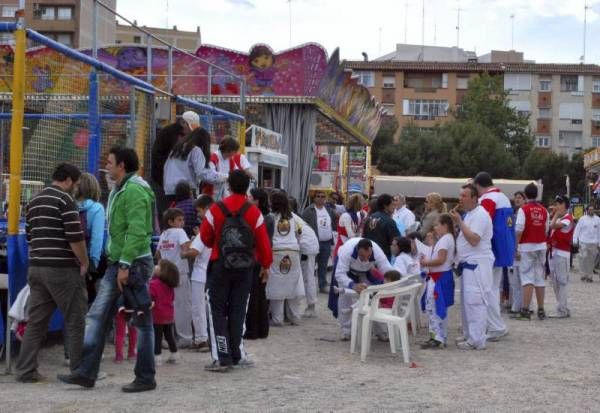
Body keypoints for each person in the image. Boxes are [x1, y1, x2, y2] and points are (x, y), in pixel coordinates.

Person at [59, 146, 157, 392]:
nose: (107, 166)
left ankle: (145, 377)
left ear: (122, 165)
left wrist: (124, 264)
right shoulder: (122, 190)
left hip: (131, 263)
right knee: (98, 316)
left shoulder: (133, 191)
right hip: (122, 261)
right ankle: (86, 372)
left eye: (111, 162)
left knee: (140, 321)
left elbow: (136, 231)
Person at [16, 163, 88, 383]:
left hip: (36, 267)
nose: (74, 188)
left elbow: (29, 237)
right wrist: (84, 262)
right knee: (76, 318)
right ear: (67, 180)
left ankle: (26, 370)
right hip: (62, 269)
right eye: (74, 184)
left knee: (36, 321)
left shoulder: (34, 200)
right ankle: (79, 371)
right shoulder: (65, 200)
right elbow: (74, 237)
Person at [200, 170, 273, 372]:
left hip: (220, 266)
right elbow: (264, 244)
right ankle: (237, 353)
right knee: (238, 310)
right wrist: (265, 266)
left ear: (229, 186)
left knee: (216, 310)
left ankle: (222, 356)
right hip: (245, 268)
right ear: (247, 187)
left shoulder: (215, 209)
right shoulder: (254, 212)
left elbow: (205, 238)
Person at [449, 184, 494, 351]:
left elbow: (474, 239)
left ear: (474, 198)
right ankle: (470, 335)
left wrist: (459, 222)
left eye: (464, 196)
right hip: (468, 264)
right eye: (460, 195)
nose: (460, 199)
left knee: (476, 302)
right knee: (467, 302)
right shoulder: (469, 215)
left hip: (477, 264)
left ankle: (477, 339)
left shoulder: (481, 215)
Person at [472, 171, 513, 341]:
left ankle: (495, 326)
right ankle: (494, 325)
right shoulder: (502, 197)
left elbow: (482, 223)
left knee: (487, 289)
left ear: (477, 185)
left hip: (491, 249)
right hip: (502, 248)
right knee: (493, 288)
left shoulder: (488, 199)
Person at [327, 237, 393, 340]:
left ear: (371, 251)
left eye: (368, 256)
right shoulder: (347, 251)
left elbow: (387, 269)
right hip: (346, 272)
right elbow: (340, 274)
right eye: (362, 256)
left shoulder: (377, 251)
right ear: (357, 250)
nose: (366, 259)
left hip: (365, 272)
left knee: (373, 296)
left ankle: (381, 331)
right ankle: (346, 331)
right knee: (345, 298)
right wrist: (353, 285)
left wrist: (393, 280)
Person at [266, 191, 305, 326]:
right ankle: (295, 316)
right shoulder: (293, 217)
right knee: (293, 283)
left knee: (277, 284)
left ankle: (278, 318)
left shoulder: (271, 217)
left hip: (277, 251)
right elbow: (300, 234)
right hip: (293, 251)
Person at [156, 208, 193, 347]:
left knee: (167, 306)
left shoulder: (163, 234)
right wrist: (195, 241)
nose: (182, 223)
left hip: (165, 275)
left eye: (182, 220)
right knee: (183, 306)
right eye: (179, 220)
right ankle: (185, 337)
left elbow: (158, 255)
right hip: (180, 274)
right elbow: (186, 248)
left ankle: (167, 337)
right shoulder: (180, 232)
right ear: (170, 221)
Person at [181, 195, 213, 351]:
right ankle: (204, 337)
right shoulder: (214, 227)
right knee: (205, 307)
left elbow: (194, 252)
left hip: (200, 273)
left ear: (206, 209)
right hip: (209, 271)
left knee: (198, 307)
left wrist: (184, 252)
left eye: (199, 211)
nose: (198, 214)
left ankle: (201, 339)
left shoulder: (205, 230)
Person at [419, 214, 456, 349]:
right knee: (436, 306)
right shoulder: (446, 239)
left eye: (436, 225)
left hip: (439, 277)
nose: (435, 228)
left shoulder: (446, 239)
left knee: (434, 307)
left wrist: (425, 262)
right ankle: (439, 336)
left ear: (444, 225)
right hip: (440, 276)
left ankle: (437, 337)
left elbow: (441, 260)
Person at [163, 128, 227, 205]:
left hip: (169, 190)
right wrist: (224, 177)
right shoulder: (195, 150)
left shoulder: (176, 149)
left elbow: (165, 168)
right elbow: (202, 173)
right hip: (185, 191)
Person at [513, 183, 548, 321]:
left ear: (526, 195)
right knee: (539, 278)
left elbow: (519, 230)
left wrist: (516, 247)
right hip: (541, 245)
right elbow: (546, 229)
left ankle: (525, 310)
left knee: (527, 277)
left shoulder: (524, 209)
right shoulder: (544, 210)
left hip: (527, 246)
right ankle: (541, 309)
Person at [244, 188, 273, 339]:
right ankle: (261, 328)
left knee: (255, 296)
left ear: (257, 201)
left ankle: (254, 329)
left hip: (258, 260)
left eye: (250, 197)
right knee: (259, 295)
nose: (247, 199)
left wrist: (264, 263)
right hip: (260, 259)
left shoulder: (263, 218)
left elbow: (263, 242)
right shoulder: (266, 217)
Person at [75, 172, 106, 304]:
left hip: (71, 258)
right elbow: (97, 239)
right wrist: (94, 263)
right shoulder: (96, 208)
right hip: (87, 259)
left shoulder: (70, 205)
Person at [302, 190, 337, 294]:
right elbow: (304, 226)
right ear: (314, 198)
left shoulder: (328, 209)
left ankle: (322, 285)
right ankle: (307, 286)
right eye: (318, 196)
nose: (321, 198)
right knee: (310, 266)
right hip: (314, 242)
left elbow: (333, 223)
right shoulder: (309, 210)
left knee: (323, 265)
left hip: (326, 242)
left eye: (323, 196)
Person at [547, 195, 575, 318]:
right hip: (554, 252)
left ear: (564, 205)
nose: (556, 205)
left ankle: (562, 310)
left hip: (562, 253)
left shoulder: (568, 218)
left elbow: (552, 226)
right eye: (556, 203)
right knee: (554, 281)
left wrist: (556, 216)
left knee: (562, 281)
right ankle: (562, 306)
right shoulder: (559, 217)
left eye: (559, 203)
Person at [150, 122, 185, 217]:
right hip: (162, 182)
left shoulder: (169, 135)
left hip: (163, 181)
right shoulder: (171, 137)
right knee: (166, 213)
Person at [150, 260, 180, 365]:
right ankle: (174, 354)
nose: (156, 266)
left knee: (157, 337)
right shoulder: (170, 286)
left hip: (157, 314)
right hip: (169, 314)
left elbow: (151, 298)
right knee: (169, 335)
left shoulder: (153, 284)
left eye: (159, 266)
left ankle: (157, 357)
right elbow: (172, 298)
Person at [362, 193, 400, 259]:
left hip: (368, 256)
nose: (394, 207)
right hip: (383, 256)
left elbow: (363, 236)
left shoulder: (369, 218)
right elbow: (397, 240)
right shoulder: (389, 221)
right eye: (392, 205)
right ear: (385, 206)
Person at [508, 190, 527, 314]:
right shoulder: (513, 214)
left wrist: (517, 249)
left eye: (520, 197)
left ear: (524, 199)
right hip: (513, 248)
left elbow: (520, 233)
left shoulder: (525, 213)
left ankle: (522, 306)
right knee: (513, 280)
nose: (517, 200)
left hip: (521, 248)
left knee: (521, 279)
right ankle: (516, 304)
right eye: (516, 198)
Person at [573, 205, 600, 283]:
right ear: (587, 210)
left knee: (591, 260)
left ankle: (589, 276)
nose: (591, 211)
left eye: (593, 209)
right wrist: (575, 239)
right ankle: (583, 274)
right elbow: (577, 229)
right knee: (583, 257)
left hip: (594, 242)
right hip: (583, 241)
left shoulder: (598, 219)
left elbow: (599, 232)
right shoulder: (582, 219)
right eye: (590, 209)